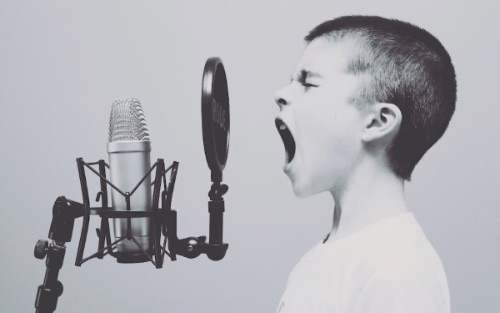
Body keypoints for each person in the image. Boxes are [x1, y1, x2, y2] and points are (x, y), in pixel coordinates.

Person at [274, 15, 456, 313]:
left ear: (377, 121)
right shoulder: (321, 259)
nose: (280, 94)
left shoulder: (399, 272)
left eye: (308, 82)